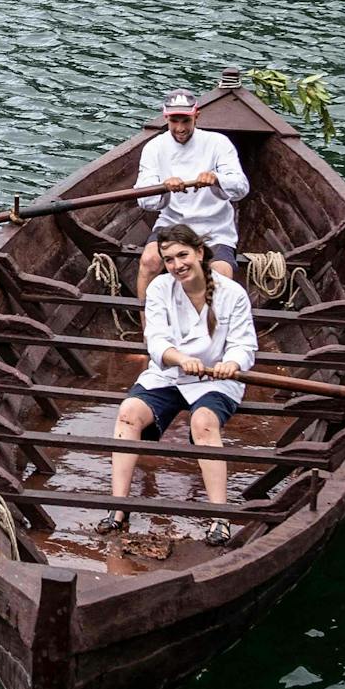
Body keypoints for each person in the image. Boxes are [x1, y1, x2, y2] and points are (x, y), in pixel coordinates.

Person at [98, 224, 259, 546]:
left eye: (182, 255)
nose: (177, 265)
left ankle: (219, 518)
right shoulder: (160, 288)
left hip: (216, 378)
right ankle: (118, 509)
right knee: (129, 412)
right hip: (169, 373)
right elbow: (155, 340)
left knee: (203, 424)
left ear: (200, 253)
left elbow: (245, 345)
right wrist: (179, 358)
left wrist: (232, 363)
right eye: (169, 259)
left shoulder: (232, 293)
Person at [133, 88, 250, 298]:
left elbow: (241, 188)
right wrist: (164, 188)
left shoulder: (218, 143)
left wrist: (217, 179)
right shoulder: (154, 147)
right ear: (166, 118)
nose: (180, 128)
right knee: (149, 261)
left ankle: (211, 328)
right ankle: (148, 328)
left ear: (196, 116)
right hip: (172, 223)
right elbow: (144, 199)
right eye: (174, 121)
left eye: (185, 121)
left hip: (215, 227)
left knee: (220, 276)